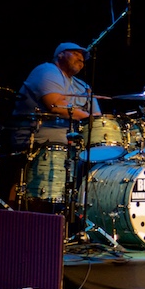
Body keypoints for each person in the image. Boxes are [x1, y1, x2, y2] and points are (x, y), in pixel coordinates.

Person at [9, 42, 102, 208]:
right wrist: (88, 117)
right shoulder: (47, 70)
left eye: (83, 58)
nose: (81, 59)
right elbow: (56, 104)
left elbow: (98, 117)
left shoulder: (84, 86)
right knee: (37, 196)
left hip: (72, 145)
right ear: (60, 54)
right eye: (75, 53)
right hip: (38, 141)